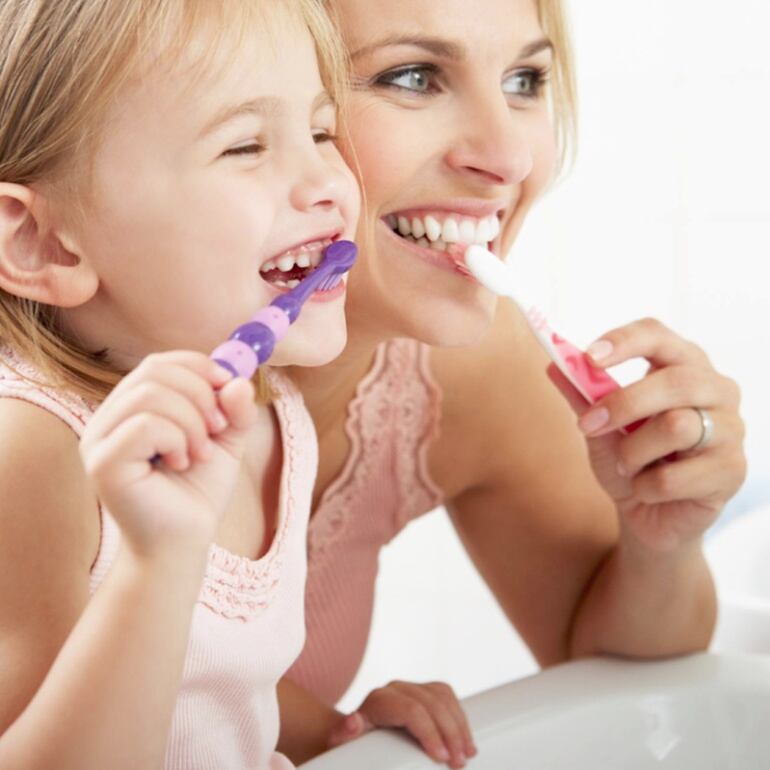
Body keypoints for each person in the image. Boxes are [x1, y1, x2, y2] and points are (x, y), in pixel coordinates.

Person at [276, 0, 748, 767]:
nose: (509, 158)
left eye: (525, 80)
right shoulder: (79, 399)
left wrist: (660, 540)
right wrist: (328, 736)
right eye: (412, 76)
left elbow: (616, 666)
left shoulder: (468, 367)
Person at [0, 1, 358, 769]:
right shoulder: (36, 454)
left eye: (322, 131)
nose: (328, 181)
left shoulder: (271, 409)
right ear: (43, 243)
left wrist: (336, 732)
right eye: (245, 145)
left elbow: (208, 682)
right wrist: (158, 561)